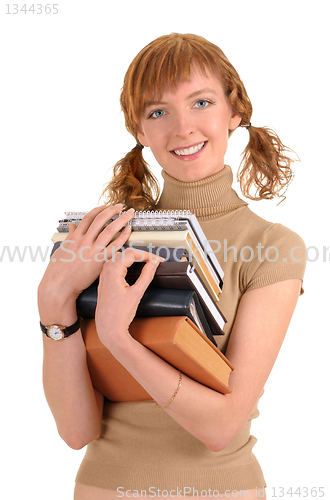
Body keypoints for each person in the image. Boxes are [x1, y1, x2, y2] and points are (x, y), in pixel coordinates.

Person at [38, 33, 307, 500]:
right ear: (140, 132)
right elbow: (76, 430)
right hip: (103, 488)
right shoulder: (105, 237)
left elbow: (221, 427)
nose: (183, 128)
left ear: (235, 112)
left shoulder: (271, 246)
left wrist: (119, 337)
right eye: (157, 112)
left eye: (201, 102)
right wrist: (52, 306)